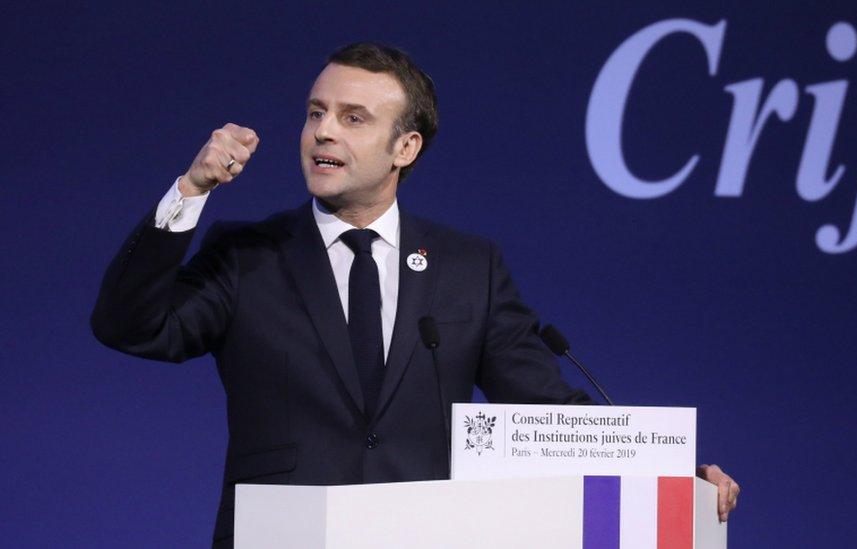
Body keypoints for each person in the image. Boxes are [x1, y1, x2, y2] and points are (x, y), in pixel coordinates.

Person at [91, 42, 739, 547]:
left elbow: (551, 411)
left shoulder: (467, 269)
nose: (322, 132)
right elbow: (133, 324)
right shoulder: (248, 255)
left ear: (406, 145)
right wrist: (192, 191)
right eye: (316, 113)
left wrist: (672, 475)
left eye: (353, 118)